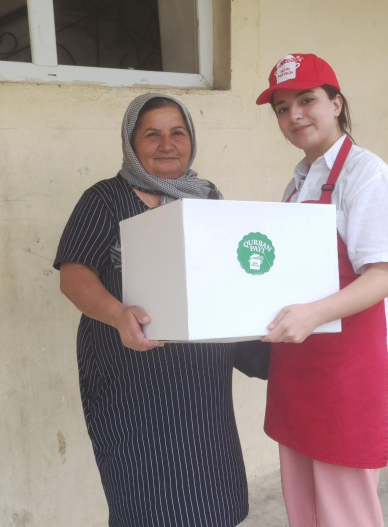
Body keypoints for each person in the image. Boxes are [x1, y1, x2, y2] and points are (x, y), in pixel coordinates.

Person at [54, 93, 268, 527]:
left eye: (178, 133)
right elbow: (74, 275)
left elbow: (228, 276)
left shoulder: (207, 199)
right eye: (152, 134)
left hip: (201, 382)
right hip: (133, 376)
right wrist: (118, 315)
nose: (167, 144)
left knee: (211, 493)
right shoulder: (106, 199)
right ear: (131, 143)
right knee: (146, 496)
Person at [257, 55, 388, 527]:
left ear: (336, 104)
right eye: (282, 108)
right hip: (298, 362)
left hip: (345, 367)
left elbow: (383, 275)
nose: (295, 115)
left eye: (307, 100)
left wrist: (312, 315)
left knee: (345, 512)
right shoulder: (298, 183)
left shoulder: (366, 174)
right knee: (303, 505)